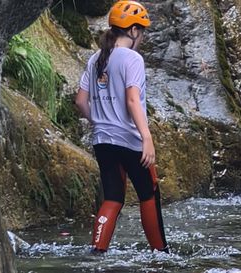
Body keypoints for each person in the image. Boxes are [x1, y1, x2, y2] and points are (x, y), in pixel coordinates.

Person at [75, 1, 168, 253]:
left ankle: (98, 250)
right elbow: (131, 99)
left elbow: (80, 101)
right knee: (149, 195)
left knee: (113, 197)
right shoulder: (132, 58)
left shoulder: (95, 58)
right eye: (143, 31)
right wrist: (146, 137)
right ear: (134, 30)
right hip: (130, 140)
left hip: (102, 141)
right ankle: (161, 254)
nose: (143, 37)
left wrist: (100, 122)